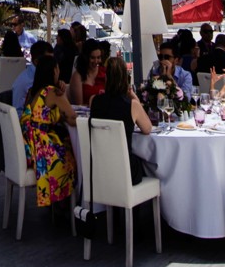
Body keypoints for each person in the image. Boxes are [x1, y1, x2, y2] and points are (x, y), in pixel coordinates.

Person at [20, 59, 77, 212]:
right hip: (41, 147)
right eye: (57, 70)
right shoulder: (52, 92)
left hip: (28, 145)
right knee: (73, 159)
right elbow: (72, 118)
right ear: (53, 72)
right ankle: (66, 205)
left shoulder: (34, 91)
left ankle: (58, 204)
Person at [87, 57, 153, 186]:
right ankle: (137, 203)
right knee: (144, 163)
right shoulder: (132, 105)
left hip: (100, 166)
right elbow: (147, 128)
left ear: (106, 77)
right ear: (125, 78)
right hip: (125, 169)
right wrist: (134, 97)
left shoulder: (93, 100)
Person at [13, 40, 55, 110]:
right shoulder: (24, 82)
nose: (52, 64)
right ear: (36, 61)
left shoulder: (48, 75)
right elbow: (17, 113)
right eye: (48, 61)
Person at [69, 40, 109, 107]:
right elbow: (79, 106)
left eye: (98, 57)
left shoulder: (105, 72)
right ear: (85, 57)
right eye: (92, 58)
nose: (96, 61)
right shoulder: (77, 76)